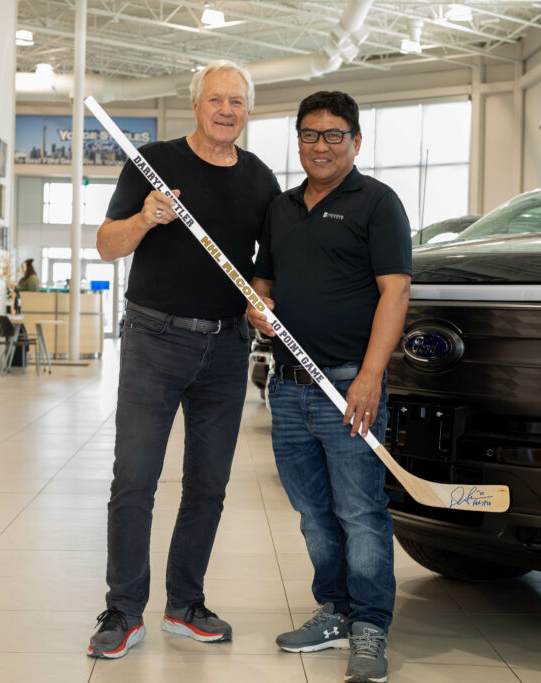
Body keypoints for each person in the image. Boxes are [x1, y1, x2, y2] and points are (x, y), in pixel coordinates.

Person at [88, 60, 280, 659]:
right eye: (216, 99)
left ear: (248, 111)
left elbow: (264, 268)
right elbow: (105, 244)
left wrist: (262, 301)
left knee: (209, 484)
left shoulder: (260, 179)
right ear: (196, 104)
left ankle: (184, 603)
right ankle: (123, 610)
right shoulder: (155, 163)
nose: (227, 110)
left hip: (226, 347)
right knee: (135, 479)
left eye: (238, 102)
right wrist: (146, 216)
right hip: (153, 337)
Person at [248, 91, 411, 683]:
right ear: (298, 141)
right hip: (288, 388)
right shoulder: (281, 208)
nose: (321, 146)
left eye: (334, 135)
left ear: (356, 141)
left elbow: (395, 292)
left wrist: (370, 377)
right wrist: (257, 309)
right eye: (310, 135)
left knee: (361, 511)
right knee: (314, 512)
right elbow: (262, 286)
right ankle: (335, 612)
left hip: (348, 385)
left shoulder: (377, 203)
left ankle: (370, 626)